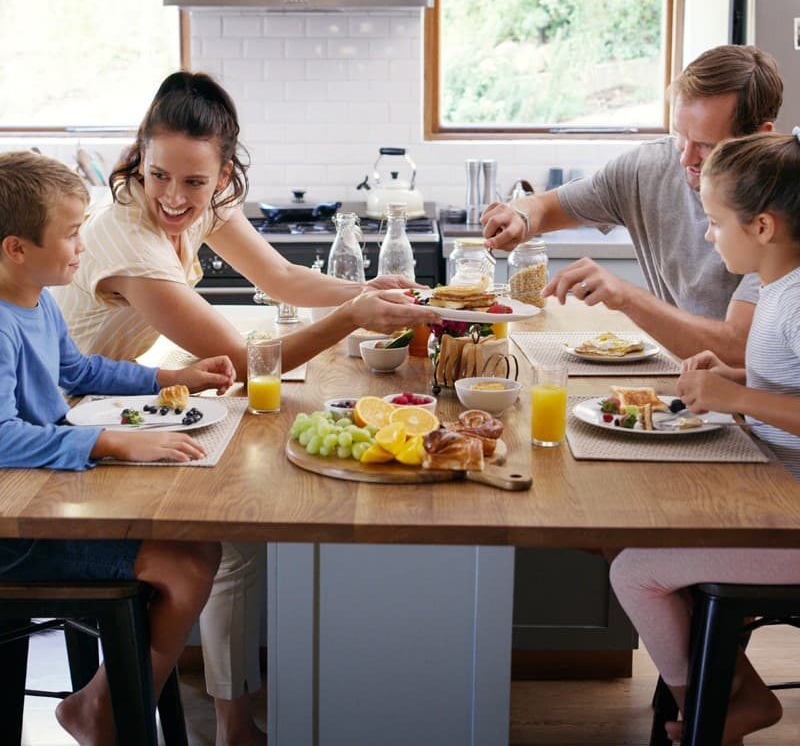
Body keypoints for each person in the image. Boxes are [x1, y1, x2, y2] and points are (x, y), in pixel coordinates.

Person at [52, 71, 440, 746]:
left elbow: (282, 277)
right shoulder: (124, 241)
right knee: (230, 540)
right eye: (159, 176)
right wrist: (351, 314)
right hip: (68, 424)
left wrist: (363, 289)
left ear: (222, 174)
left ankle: (221, 719)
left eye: (195, 183)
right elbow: (242, 362)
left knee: (235, 538)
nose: (175, 197)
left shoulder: (204, 203)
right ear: (140, 159)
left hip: (119, 402)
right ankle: (170, 714)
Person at [0, 149, 231, 745]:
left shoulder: (36, 301)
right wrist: (111, 441)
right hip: (15, 537)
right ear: (16, 248)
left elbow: (78, 371)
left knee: (200, 540)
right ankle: (102, 713)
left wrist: (170, 380)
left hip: (43, 501)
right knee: (185, 566)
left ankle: (108, 701)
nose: (83, 247)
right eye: (73, 234)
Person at [610, 129, 800, 745]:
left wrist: (738, 398)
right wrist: (736, 375)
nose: (707, 234)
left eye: (716, 222)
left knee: (635, 571)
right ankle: (735, 693)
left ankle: (709, 711)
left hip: (793, 525)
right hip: (776, 499)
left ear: (763, 227)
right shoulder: (777, 290)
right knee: (648, 532)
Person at [481, 44, 783, 366]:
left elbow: (740, 349)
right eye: (680, 134)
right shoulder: (650, 167)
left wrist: (627, 298)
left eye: (707, 145)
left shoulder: (783, 208)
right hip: (686, 385)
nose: (685, 158)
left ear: (759, 136)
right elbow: (547, 207)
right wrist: (521, 216)